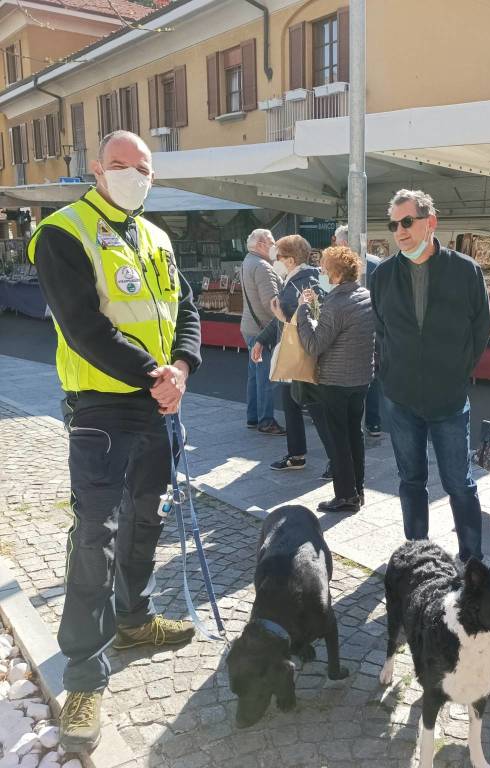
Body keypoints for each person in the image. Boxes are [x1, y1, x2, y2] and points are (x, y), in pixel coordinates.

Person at [27, 130, 200, 752]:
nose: (133, 175)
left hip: (157, 403)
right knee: (94, 535)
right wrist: (155, 376)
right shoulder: (64, 232)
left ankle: (134, 620)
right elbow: (82, 326)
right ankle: (83, 679)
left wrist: (181, 367)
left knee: (148, 518)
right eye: (120, 165)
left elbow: (188, 309)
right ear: (95, 168)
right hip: (104, 406)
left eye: (143, 167)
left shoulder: (157, 236)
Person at [370, 189, 490, 563]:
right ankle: (417, 555)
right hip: (401, 397)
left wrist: (456, 372)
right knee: (411, 480)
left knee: (459, 483)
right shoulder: (385, 274)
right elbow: (381, 330)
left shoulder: (465, 270)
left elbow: (480, 329)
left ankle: (471, 559)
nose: (401, 232)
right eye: (394, 224)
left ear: (430, 222)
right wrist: (389, 373)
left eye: (408, 222)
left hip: (449, 399)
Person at [296, 246, 375, 512]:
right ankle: (358, 490)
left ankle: (345, 496)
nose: (322, 273)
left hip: (335, 381)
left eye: (324, 269)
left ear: (336, 273)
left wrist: (303, 313)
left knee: (339, 440)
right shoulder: (365, 295)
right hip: (360, 378)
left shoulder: (336, 303)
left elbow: (314, 345)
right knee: (355, 435)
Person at [250, 235, 329, 471]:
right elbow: (281, 319)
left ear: (291, 260)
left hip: (302, 354)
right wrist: (262, 340)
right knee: (292, 404)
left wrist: (282, 320)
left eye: (279, 257)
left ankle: (335, 460)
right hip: (294, 353)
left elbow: (308, 317)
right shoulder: (299, 278)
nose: (275, 261)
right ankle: (296, 455)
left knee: (315, 409)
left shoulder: (302, 283)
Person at [333, 224, 383, 437]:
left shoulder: (339, 268)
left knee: (350, 378)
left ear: (343, 242)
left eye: (336, 242)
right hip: (375, 327)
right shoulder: (377, 263)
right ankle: (373, 422)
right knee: (372, 376)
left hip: (349, 329)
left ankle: (351, 422)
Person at [241, 228, 285, 435]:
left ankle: (253, 416)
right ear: (260, 244)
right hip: (262, 329)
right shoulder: (263, 267)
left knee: (254, 375)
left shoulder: (248, 261)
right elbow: (272, 304)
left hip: (250, 327)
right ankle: (266, 420)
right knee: (266, 377)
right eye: (271, 242)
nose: (275, 246)